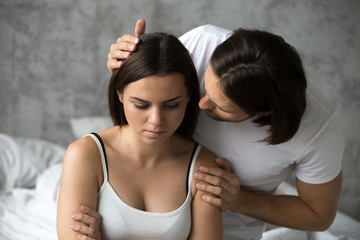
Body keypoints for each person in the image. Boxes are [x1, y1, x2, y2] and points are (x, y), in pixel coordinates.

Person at [74, 19, 344, 240]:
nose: (201, 104)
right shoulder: (202, 44)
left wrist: (238, 200)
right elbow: (153, 83)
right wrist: (129, 66)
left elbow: (319, 215)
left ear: (264, 113)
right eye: (204, 85)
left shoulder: (318, 131)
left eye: (219, 106)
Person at [57, 32, 223, 240]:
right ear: (120, 93)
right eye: (141, 105)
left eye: (171, 105)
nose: (156, 119)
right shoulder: (85, 155)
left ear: (189, 95)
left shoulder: (203, 167)